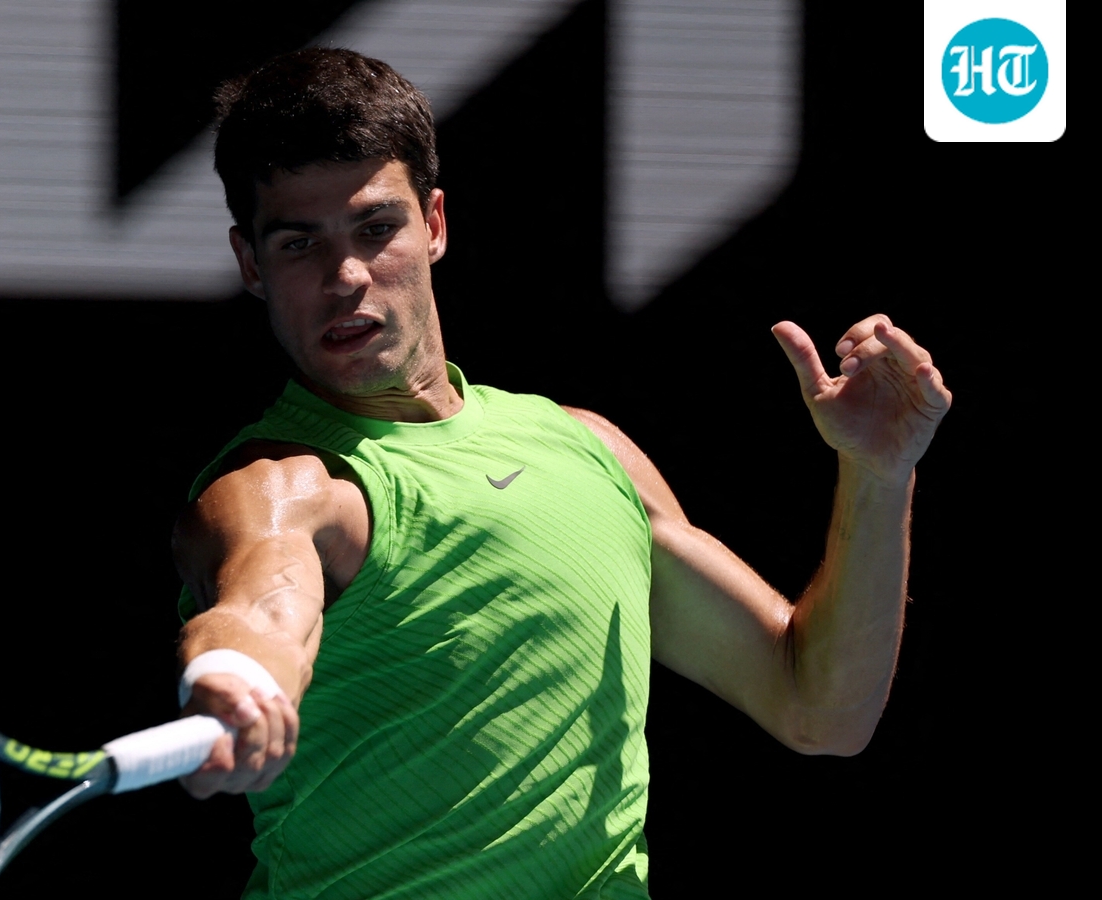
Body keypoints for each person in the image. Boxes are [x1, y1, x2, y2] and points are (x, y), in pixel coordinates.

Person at [170, 49, 950, 899]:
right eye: (298, 243)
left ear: (433, 222)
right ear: (251, 263)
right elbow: (259, 607)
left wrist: (877, 475)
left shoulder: (587, 450)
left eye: (375, 227)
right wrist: (235, 681)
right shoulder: (280, 483)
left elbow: (819, 707)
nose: (346, 276)